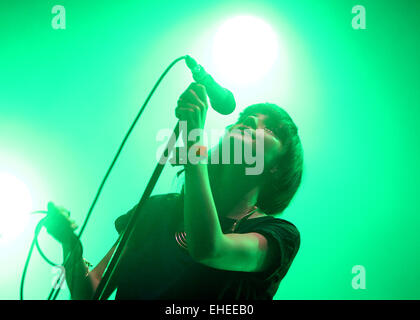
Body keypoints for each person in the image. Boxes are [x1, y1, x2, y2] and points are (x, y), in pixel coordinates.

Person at [44, 83, 304, 300]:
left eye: (270, 129)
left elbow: (209, 248)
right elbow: (91, 292)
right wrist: (71, 249)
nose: (250, 121)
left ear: (278, 168)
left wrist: (193, 139)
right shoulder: (158, 210)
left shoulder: (279, 235)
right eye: (245, 118)